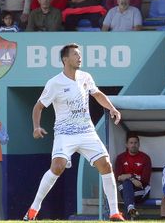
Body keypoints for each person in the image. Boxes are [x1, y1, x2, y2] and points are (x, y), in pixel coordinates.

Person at [24, 43, 124, 221]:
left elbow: (97, 94)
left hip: (87, 131)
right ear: (65, 59)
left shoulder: (85, 77)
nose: (80, 57)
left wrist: (112, 108)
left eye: (80, 54)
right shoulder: (54, 83)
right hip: (65, 133)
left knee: (106, 165)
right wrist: (36, 127)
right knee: (57, 167)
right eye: (76, 55)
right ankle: (34, 209)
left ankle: (115, 212)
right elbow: (38, 107)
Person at [114, 134, 152, 220]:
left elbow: (145, 180)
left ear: (139, 144)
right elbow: (118, 177)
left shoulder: (145, 158)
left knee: (127, 194)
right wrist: (132, 177)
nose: (133, 145)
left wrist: (126, 176)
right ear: (126, 145)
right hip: (126, 187)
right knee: (127, 185)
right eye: (131, 143)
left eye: (135, 143)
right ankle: (131, 209)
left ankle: (130, 210)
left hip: (141, 189)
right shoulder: (120, 158)